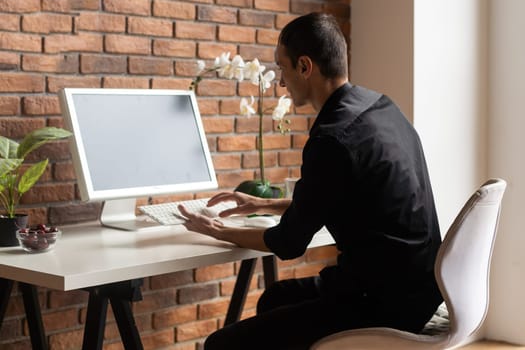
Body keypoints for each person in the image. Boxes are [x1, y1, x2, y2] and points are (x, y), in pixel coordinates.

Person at [178, 12, 443, 350]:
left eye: (283, 68)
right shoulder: (379, 107)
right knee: (274, 298)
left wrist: (215, 229)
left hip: (381, 304)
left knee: (221, 344)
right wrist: (264, 203)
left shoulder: (332, 139)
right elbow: (346, 198)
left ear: (305, 66)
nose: (280, 82)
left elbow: (289, 242)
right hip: (416, 289)